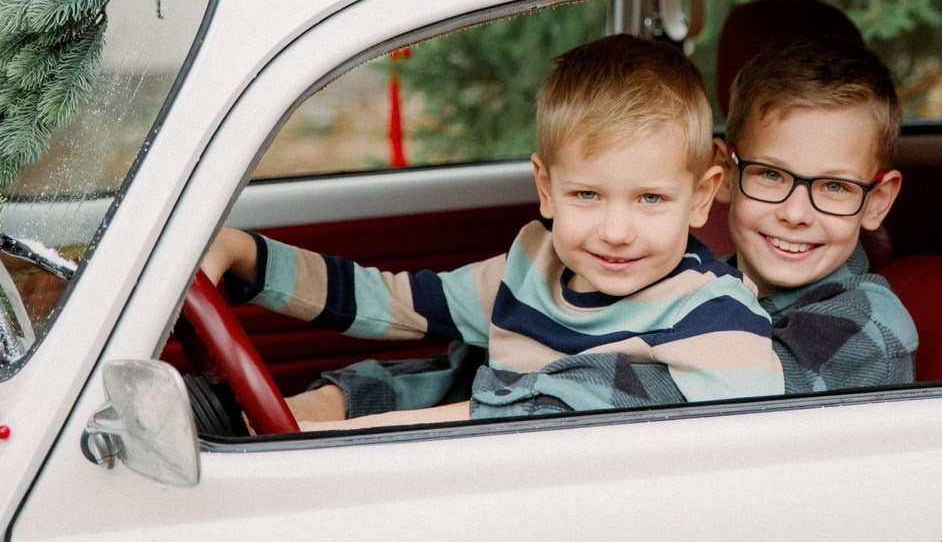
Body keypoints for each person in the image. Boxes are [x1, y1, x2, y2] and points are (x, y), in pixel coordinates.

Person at [200, 34, 783, 428]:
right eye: (587, 195)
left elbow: (739, 460)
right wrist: (246, 253)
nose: (615, 230)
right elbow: (395, 302)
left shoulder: (716, 320)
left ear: (701, 196)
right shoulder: (531, 267)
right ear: (547, 188)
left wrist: (326, 433)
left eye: (651, 199)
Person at [716, 34, 918, 392]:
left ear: (877, 201)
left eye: (835, 186)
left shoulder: (869, 323)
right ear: (726, 174)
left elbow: (700, 395)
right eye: (771, 175)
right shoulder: (707, 281)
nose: (795, 214)